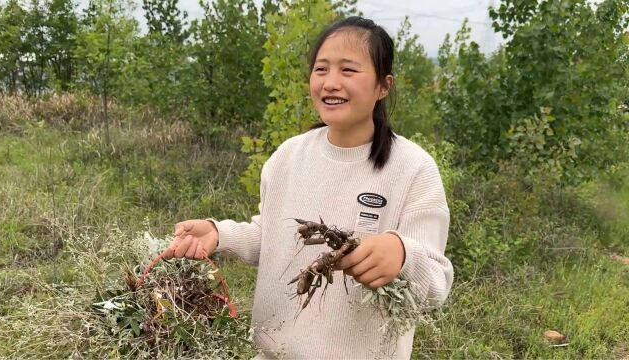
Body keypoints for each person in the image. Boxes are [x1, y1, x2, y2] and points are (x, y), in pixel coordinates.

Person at [164, 16, 453, 359]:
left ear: (383, 86)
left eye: (348, 70)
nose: (331, 83)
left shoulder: (413, 169)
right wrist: (218, 235)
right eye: (321, 69)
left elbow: (436, 282)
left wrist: (403, 255)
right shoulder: (288, 157)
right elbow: (273, 236)